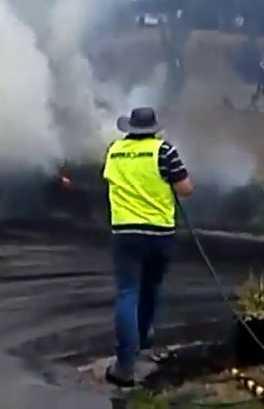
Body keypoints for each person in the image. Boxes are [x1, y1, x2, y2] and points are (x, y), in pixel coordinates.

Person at [102, 107, 195, 389]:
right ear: (154, 128)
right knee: (151, 288)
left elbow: (110, 180)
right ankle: (142, 340)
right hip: (159, 232)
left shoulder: (114, 151)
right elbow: (186, 189)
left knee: (127, 293)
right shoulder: (164, 151)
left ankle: (125, 366)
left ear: (129, 127)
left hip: (126, 232)